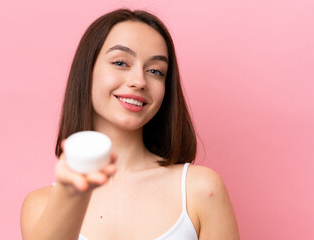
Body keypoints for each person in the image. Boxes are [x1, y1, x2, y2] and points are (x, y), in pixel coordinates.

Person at [20, 9, 239, 240]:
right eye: (121, 62)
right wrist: (70, 195)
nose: (139, 81)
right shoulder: (40, 206)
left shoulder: (201, 189)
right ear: (87, 72)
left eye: (155, 71)